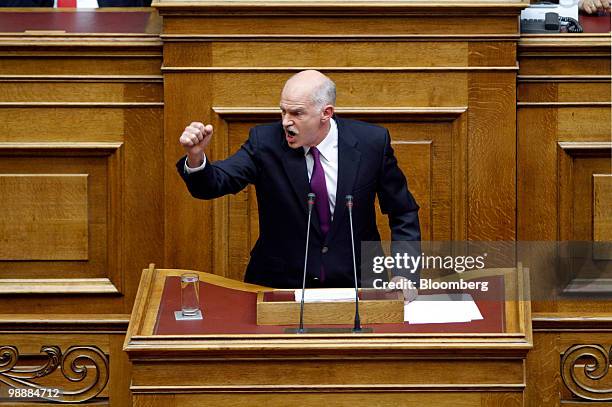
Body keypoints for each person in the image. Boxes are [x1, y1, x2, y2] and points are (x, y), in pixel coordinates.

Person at [177, 70, 420, 300]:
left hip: (357, 283)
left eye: (296, 113)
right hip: (281, 284)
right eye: (283, 112)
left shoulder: (371, 143)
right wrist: (196, 158)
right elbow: (214, 184)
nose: (285, 122)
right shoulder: (265, 143)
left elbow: (403, 211)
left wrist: (405, 274)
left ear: (326, 113)